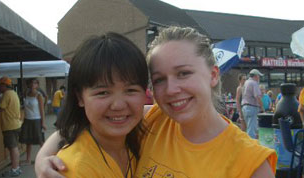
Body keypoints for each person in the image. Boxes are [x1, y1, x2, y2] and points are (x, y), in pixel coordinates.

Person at [35, 27, 277, 178]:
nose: (172, 90)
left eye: (183, 73)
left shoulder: (250, 162)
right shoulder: (155, 120)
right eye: (159, 79)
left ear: (213, 74)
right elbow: (93, 123)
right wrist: (43, 158)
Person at [49, 32, 148, 177]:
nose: (118, 105)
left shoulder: (139, 138)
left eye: (131, 90)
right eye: (103, 93)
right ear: (80, 97)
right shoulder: (76, 168)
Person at [0, 77, 22, 176]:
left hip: (9, 125)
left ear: (4, 85)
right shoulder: (13, 93)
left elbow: (1, 107)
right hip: (15, 124)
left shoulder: (6, 94)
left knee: (13, 148)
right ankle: (17, 168)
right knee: (14, 147)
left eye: (0, 85)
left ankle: (14, 169)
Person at [19, 78, 46, 165]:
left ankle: (45, 158)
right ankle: (28, 159)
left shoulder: (39, 95)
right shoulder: (26, 94)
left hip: (36, 119)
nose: (32, 85)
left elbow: (42, 110)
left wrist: (43, 123)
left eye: (34, 83)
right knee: (28, 141)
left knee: (40, 140)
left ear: (37, 85)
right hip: (27, 119)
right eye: (31, 83)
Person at [241, 69, 265, 139]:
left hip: (245, 107)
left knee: (249, 128)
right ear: (256, 76)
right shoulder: (254, 83)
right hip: (252, 107)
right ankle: (251, 147)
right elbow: (257, 96)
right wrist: (262, 107)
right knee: (252, 130)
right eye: (258, 76)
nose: (259, 78)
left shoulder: (246, 82)